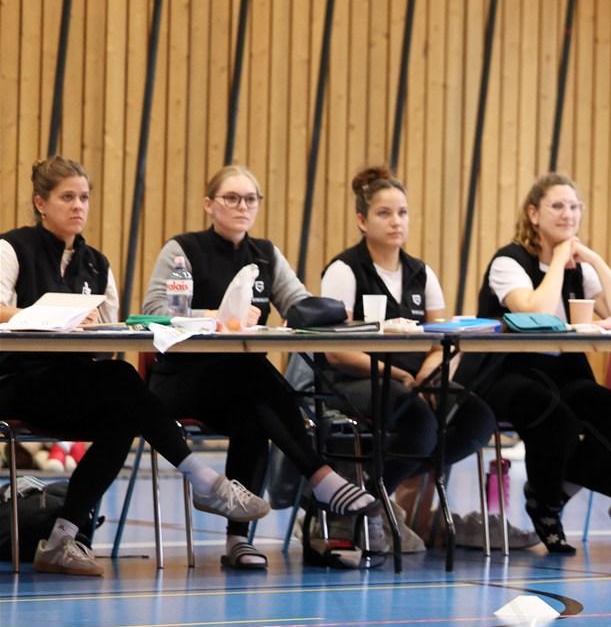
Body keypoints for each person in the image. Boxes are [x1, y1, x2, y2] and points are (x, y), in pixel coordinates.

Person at [0, 158, 270, 577]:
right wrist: (48, 315)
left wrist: (94, 328)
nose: (78, 206)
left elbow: (110, 338)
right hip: (16, 380)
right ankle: (204, 481)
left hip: (67, 383)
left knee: (122, 413)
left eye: (84, 197)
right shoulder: (12, 248)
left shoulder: (96, 264)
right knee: (123, 383)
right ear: (41, 203)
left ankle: (61, 540)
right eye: (67, 197)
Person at [143, 165, 380, 569]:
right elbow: (154, 310)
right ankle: (319, 476)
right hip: (180, 380)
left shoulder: (265, 255)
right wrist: (214, 317)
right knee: (252, 377)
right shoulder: (183, 250)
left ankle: (239, 540)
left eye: (250, 199)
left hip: (236, 387)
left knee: (253, 407)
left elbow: (298, 303)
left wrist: (336, 312)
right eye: (231, 198)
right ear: (209, 204)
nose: (242, 206)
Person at [315, 166, 495, 552]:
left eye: (402, 212)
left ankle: (369, 495)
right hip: (357, 379)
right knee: (419, 422)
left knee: (477, 418)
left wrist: (431, 372)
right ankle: (361, 506)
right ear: (362, 220)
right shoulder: (344, 270)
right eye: (384, 213)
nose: (396, 221)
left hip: (415, 380)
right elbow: (337, 351)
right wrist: (400, 375)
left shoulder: (422, 273)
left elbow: (444, 340)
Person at [468, 172, 611, 553]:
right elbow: (536, 314)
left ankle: (550, 498)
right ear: (534, 214)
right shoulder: (509, 261)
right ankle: (547, 504)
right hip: (508, 372)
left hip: (562, 372)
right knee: (554, 414)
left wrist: (595, 260)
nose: (569, 214)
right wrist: (559, 259)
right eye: (558, 206)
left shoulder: (581, 269)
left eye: (575, 206)